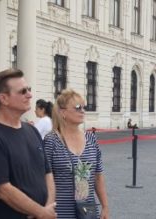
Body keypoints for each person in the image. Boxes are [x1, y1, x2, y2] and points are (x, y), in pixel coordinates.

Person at [0, 68, 56, 219]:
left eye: (29, 89)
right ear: (3, 98)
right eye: (23, 91)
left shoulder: (32, 130)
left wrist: (48, 208)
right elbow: (2, 189)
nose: (30, 95)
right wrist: (41, 212)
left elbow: (48, 173)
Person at [42, 89, 109, 218]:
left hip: (88, 209)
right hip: (61, 210)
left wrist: (105, 206)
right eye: (78, 107)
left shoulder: (91, 138)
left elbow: (98, 176)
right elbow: (44, 179)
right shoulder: (51, 140)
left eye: (84, 107)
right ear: (63, 112)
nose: (82, 111)